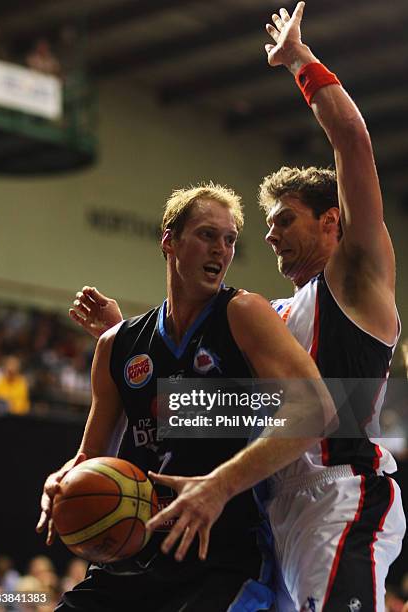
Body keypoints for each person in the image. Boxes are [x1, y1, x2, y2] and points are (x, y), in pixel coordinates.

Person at [68, 4, 406, 610]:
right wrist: (121, 337)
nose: (268, 237)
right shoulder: (268, 314)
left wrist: (299, 61)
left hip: (339, 493)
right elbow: (202, 395)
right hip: (265, 502)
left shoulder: (357, 279)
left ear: (332, 223)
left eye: (284, 221)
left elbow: (353, 141)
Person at [38, 182, 334, 611]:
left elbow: (318, 408)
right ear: (170, 242)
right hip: (133, 559)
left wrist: (219, 485)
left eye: (230, 239)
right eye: (207, 234)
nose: (221, 249)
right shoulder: (116, 345)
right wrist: (62, 482)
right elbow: (89, 455)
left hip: (222, 559)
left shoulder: (244, 313)